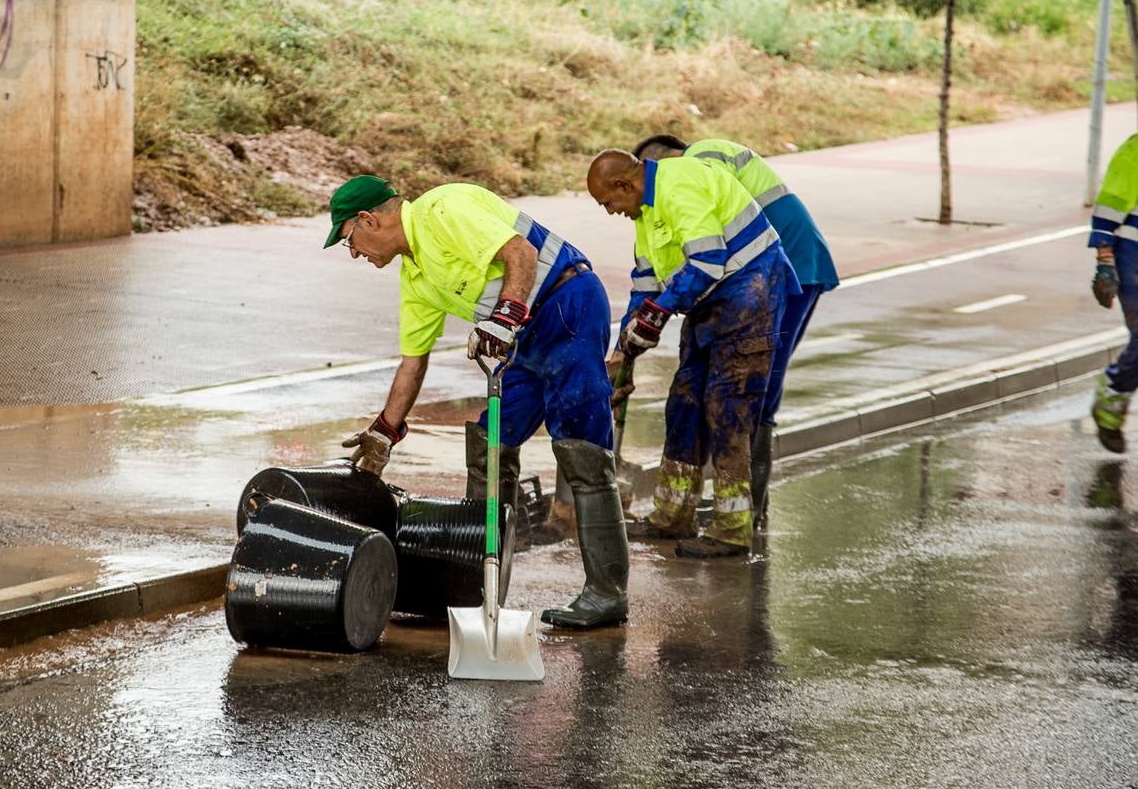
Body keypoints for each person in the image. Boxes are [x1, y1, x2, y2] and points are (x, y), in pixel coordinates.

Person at [324, 175, 629, 628]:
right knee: (490, 445)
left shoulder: (442, 210)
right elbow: (413, 363)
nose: (353, 253)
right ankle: (481, 589)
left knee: (579, 449)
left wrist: (504, 319)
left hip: (568, 303)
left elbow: (520, 252)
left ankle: (607, 595)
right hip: (524, 335)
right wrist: (385, 430)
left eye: (350, 239)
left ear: (370, 219)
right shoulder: (417, 277)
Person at [586, 150, 799, 557]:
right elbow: (646, 287)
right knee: (683, 402)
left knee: (727, 407)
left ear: (624, 185)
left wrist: (657, 316)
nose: (610, 212)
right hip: (711, 300)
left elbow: (707, 260)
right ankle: (673, 515)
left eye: (608, 203)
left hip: (750, 290)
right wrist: (623, 352)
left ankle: (732, 529)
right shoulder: (645, 217)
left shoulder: (679, 183)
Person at [629, 134, 838, 523]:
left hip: (786, 267)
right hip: (743, 281)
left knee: (756, 384)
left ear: (660, 164)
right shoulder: (660, 207)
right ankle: (723, 506)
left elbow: (712, 241)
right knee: (706, 391)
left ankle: (749, 509)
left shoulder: (699, 161)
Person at [1089, 133, 1138, 453]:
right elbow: (1108, 209)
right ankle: (1112, 393)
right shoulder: (1135, 151)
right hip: (1133, 257)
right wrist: (1105, 263)